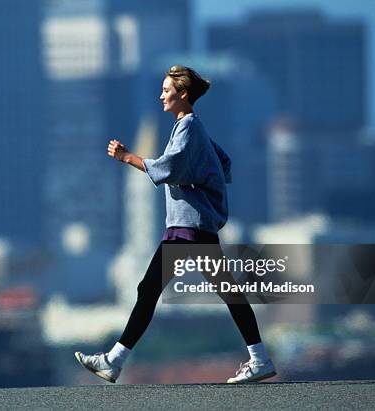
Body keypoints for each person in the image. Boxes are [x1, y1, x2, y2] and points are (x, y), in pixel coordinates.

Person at [75, 65, 276, 384]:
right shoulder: (192, 127)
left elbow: (171, 166)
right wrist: (204, 182)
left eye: (167, 90)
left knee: (149, 288)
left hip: (188, 227)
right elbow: (222, 162)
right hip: (195, 225)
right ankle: (260, 358)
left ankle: (114, 360)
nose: (161, 96)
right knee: (227, 292)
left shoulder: (188, 127)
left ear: (183, 94)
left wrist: (127, 157)